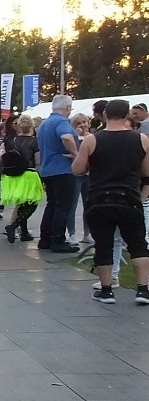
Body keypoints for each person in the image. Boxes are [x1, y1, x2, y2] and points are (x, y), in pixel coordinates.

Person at [72, 99, 149, 305]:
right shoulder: (141, 139)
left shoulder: (91, 140)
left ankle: (106, 290)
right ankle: (143, 290)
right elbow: (147, 171)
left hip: (100, 198)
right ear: (127, 116)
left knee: (104, 245)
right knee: (138, 244)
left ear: (105, 114)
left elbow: (77, 169)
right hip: (129, 197)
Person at [36, 95, 80, 253]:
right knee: (63, 206)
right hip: (62, 169)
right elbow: (67, 137)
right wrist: (76, 154)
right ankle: (58, 240)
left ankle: (45, 239)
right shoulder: (62, 121)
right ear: (67, 108)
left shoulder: (44, 123)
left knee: (52, 205)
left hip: (47, 168)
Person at [0, 114, 44, 243]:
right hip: (29, 175)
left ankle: (23, 232)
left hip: (13, 176)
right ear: (32, 126)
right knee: (31, 204)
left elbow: (1, 156)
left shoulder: (11, 140)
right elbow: (37, 161)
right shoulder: (34, 141)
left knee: (21, 203)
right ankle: (13, 226)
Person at [69, 114, 92, 243]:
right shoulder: (72, 136)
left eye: (84, 122)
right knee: (72, 204)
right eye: (78, 123)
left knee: (88, 204)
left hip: (89, 174)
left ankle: (87, 233)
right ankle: (71, 233)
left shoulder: (92, 137)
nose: (82, 125)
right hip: (75, 175)